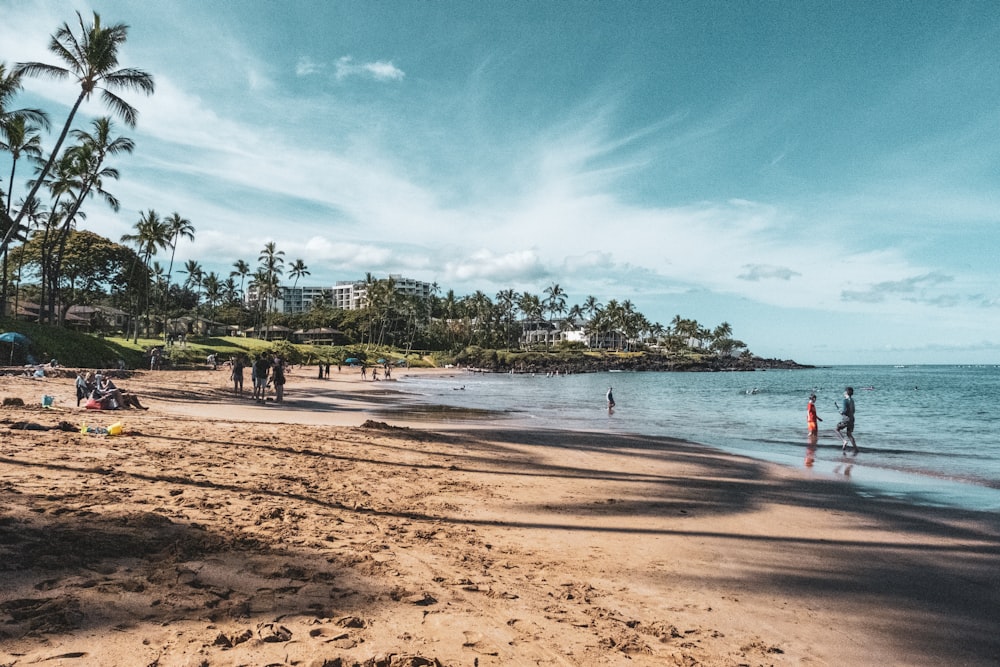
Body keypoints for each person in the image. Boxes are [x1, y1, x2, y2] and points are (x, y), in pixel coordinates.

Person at [836, 386, 857, 452]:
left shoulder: (845, 401)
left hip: (846, 419)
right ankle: (855, 449)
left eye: (845, 391)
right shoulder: (852, 400)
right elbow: (853, 410)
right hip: (852, 419)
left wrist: (841, 412)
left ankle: (844, 441)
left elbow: (844, 411)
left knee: (837, 429)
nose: (844, 392)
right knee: (849, 434)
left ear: (846, 393)